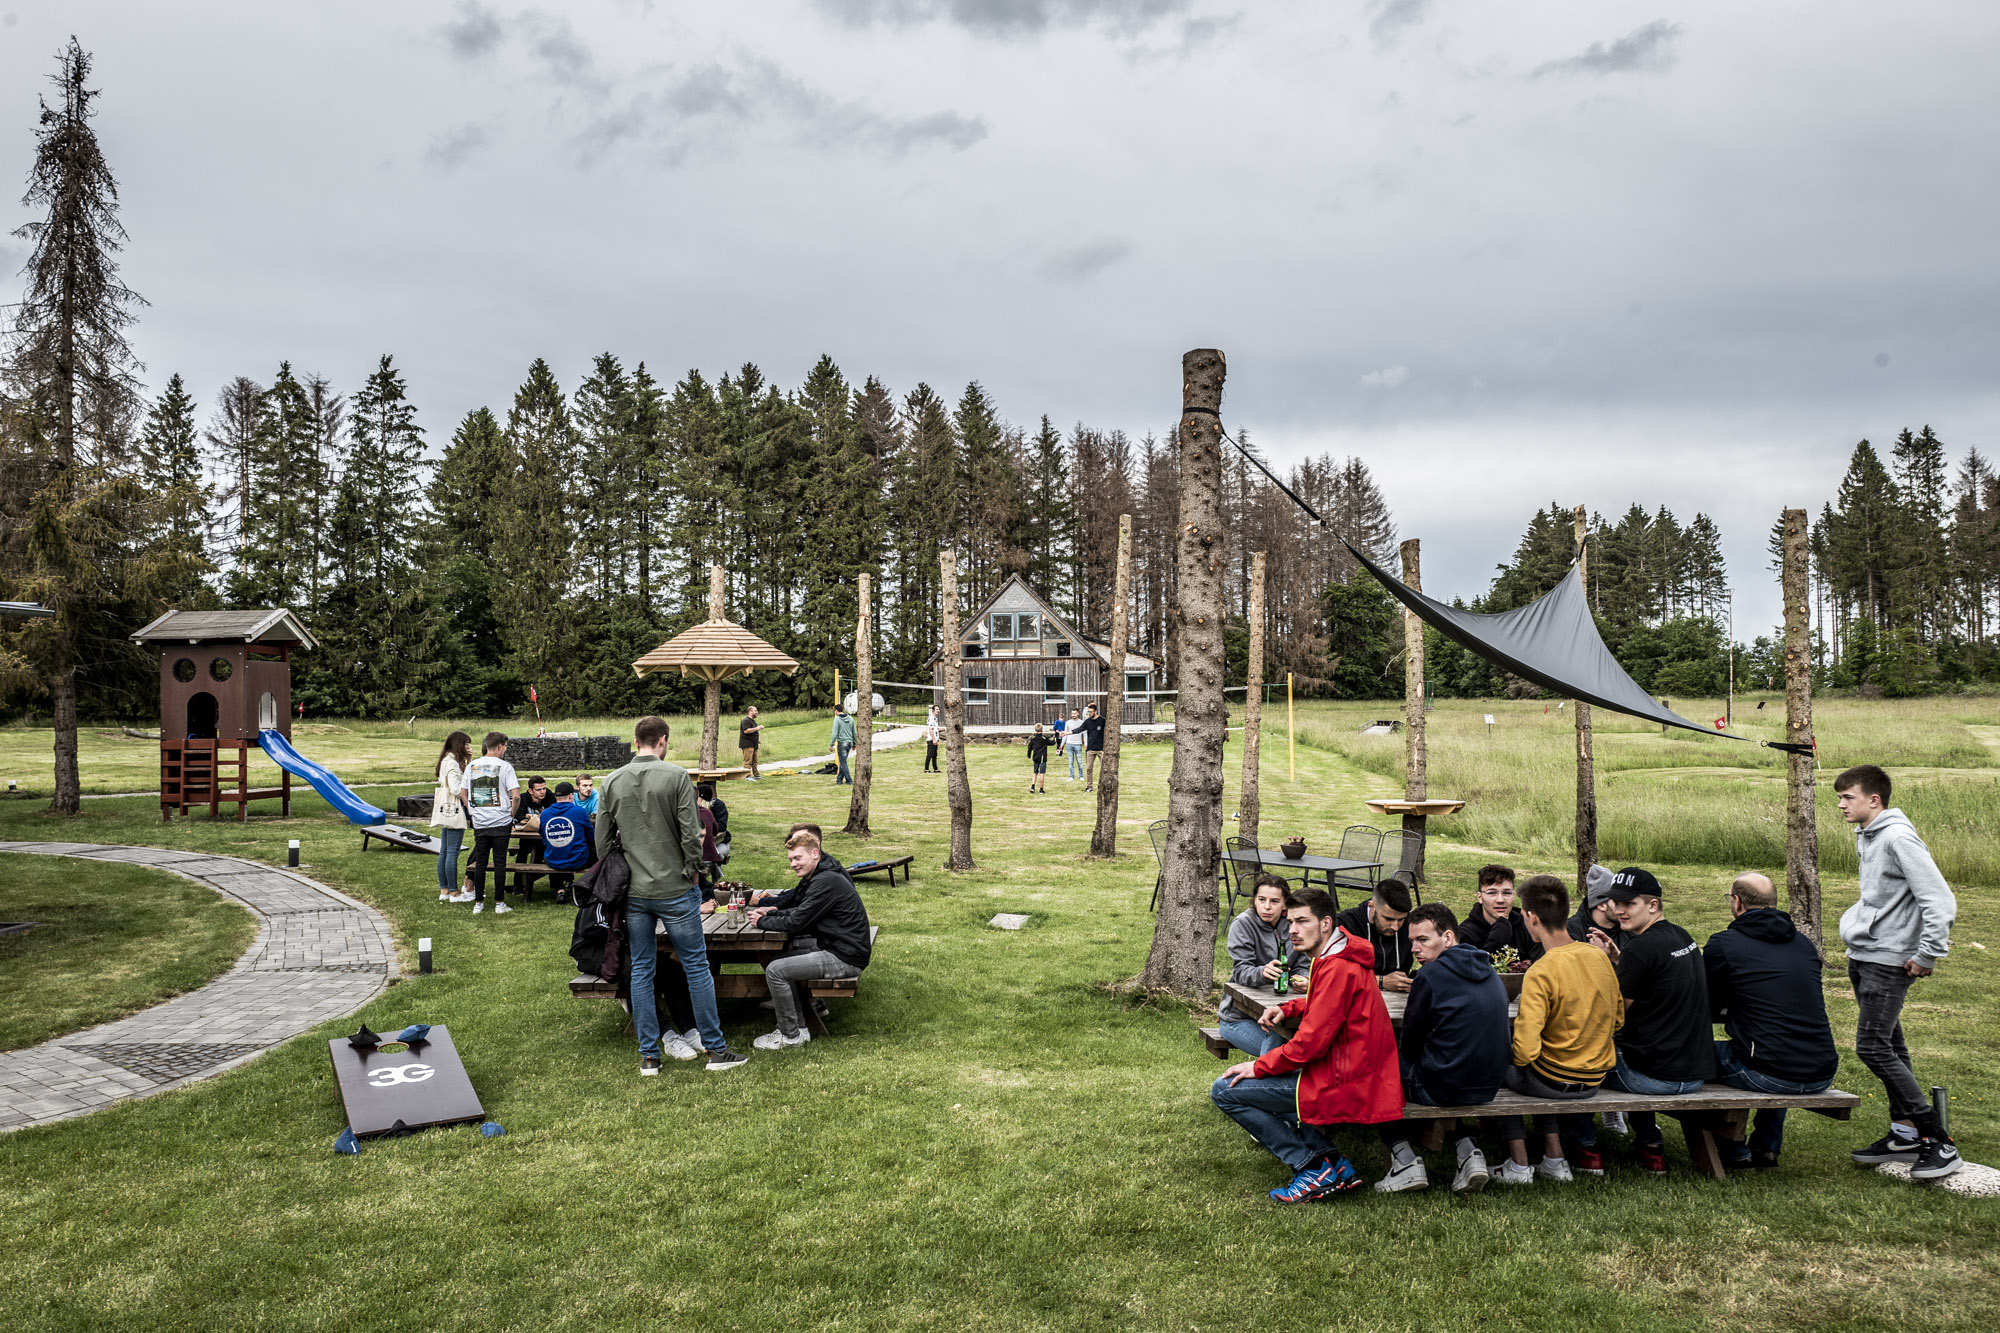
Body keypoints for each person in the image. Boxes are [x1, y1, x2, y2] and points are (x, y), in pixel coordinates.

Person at [1210, 886, 1401, 1203]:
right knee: (1272, 1066)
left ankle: (1311, 1167)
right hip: (1354, 1073)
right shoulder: (1339, 955)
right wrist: (1288, 1008)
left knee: (1224, 1090)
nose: (1293, 931)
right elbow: (1328, 1003)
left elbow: (1309, 1046)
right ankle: (1334, 1162)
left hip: (1345, 1081)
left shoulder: (1337, 966)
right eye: (1290, 922)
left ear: (1325, 924)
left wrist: (1258, 1067)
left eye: (1302, 921)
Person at [601, 715, 746, 1074]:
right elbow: (691, 833)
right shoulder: (678, 776)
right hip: (676, 886)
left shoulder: (612, 781)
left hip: (634, 890)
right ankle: (715, 1050)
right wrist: (693, 872)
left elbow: (602, 842)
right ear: (663, 740)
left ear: (636, 741)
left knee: (642, 969)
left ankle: (650, 1056)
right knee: (696, 966)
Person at [1835, 764, 1961, 1179]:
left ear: (1874, 800)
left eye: (1848, 797)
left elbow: (1939, 900)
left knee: (1872, 1048)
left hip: (1888, 960)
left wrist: (1928, 954)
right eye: (1839, 798)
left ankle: (1937, 1140)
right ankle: (1905, 1133)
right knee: (1890, 1044)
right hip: (1866, 953)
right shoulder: (1869, 834)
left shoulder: (1897, 838)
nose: (1841, 805)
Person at [1586, 867, 1716, 1177]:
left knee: (1576, 1060)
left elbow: (1613, 1016)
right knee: (1635, 1049)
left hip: (1653, 1078)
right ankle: (1650, 1147)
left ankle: (1582, 1148)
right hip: (1694, 1073)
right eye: (1616, 902)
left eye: (1629, 904)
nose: (1619, 910)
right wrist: (1618, 958)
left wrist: (1597, 962)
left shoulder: (1641, 949)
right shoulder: (1682, 936)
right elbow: (1655, 977)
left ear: (1653, 905)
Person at [1493, 874, 1622, 1185]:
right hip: (1594, 1080)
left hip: (1552, 1080)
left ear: (1531, 918)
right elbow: (1618, 1019)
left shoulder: (1541, 971)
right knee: (1540, 1065)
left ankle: (1519, 1163)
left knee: (1494, 1066)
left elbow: (1525, 1052)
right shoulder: (1598, 957)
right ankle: (1554, 1156)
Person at [1704, 871, 1838, 1170]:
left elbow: (1705, 1003)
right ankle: (1767, 1148)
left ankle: (1734, 1148)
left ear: (1736, 902)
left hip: (1769, 1070)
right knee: (1776, 1046)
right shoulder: (1803, 944)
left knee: (1696, 1055)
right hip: (1821, 1067)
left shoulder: (1725, 944)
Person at [1376, 903, 1512, 1194]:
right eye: (1412, 941)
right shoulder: (1489, 971)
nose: (1414, 948)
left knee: (1376, 1070)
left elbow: (1410, 1043)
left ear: (1448, 937)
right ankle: (1468, 1150)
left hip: (1445, 1087)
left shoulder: (1430, 976)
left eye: (1423, 940)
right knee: (1448, 1065)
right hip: (1490, 1085)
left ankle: (1403, 1159)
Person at [748, 829, 872, 1050]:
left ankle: (789, 1035)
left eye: (798, 858)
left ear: (815, 853)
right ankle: (800, 1027)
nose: (793, 864)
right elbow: (802, 911)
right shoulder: (821, 875)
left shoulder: (826, 880)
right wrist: (773, 913)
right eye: (790, 859)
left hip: (845, 957)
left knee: (776, 970)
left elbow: (797, 923)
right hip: (838, 947)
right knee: (779, 959)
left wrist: (762, 921)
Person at [1218, 874, 1296, 1056]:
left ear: (1285, 904)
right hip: (1239, 1018)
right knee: (1281, 1052)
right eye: (1261, 899)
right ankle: (1263, 1071)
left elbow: (1302, 963)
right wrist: (1262, 972)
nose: (1267, 906)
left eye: (1274, 901)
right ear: (1254, 900)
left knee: (1297, 1044)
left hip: (1283, 1012)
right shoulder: (1243, 924)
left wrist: (1303, 978)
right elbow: (1240, 971)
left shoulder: (1292, 925)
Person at [462, 731, 520, 915]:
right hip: (501, 820)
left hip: (480, 820)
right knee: (499, 862)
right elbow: (516, 795)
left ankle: (478, 902)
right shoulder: (506, 766)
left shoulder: (472, 766)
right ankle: (499, 902)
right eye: (505, 747)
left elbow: (463, 792)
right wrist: (511, 814)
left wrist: (471, 810)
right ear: (500, 746)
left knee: (481, 862)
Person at [1334, 876, 1414, 991]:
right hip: (1356, 994)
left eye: (1401, 919)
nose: (1395, 927)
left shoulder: (1411, 924)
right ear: (1371, 907)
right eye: (1388, 919)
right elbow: (1334, 973)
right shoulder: (1345, 925)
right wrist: (1381, 981)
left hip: (1400, 996)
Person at [1457, 863, 1542, 965]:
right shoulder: (1465, 934)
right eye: (1492, 893)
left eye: (1507, 893)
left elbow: (1543, 963)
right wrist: (1500, 932)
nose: (1500, 900)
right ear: (1480, 897)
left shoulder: (1527, 925)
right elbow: (1474, 968)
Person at [430, 731, 473, 904]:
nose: (468, 747)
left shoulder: (446, 760)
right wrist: (468, 801)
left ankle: (444, 889)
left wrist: (468, 761)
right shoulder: (452, 764)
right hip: (454, 809)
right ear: (459, 744)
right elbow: (456, 789)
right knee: (452, 852)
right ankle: (454, 892)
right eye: (466, 744)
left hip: (446, 809)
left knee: (445, 851)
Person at [539, 781, 595, 903]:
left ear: (556, 797)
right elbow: (591, 838)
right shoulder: (579, 811)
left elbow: (544, 838)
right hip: (578, 861)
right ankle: (587, 888)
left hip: (553, 861)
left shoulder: (545, 814)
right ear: (571, 795)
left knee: (557, 850)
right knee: (593, 853)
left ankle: (560, 889)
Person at [1565, 864, 1620, 942]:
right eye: (1617, 902)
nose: (1624, 908)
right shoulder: (1569, 932)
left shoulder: (1631, 928)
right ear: (1601, 905)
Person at [698, 781, 731, 860]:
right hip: (700, 844)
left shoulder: (718, 806)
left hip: (719, 842)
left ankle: (716, 864)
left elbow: (722, 826)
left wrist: (708, 825)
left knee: (717, 854)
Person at [1080, 703, 1107, 790]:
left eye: (1091, 712)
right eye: (1088, 712)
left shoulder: (1102, 720)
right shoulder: (1087, 721)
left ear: (1096, 712)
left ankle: (1104, 786)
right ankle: (1089, 786)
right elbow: (1079, 729)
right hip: (1091, 749)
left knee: (1104, 769)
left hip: (1101, 749)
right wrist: (1068, 733)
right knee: (1089, 768)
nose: (1089, 713)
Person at [831, 706, 856, 785]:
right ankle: (839, 780)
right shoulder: (850, 718)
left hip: (842, 743)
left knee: (843, 762)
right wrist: (854, 743)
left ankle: (849, 780)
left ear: (836, 710)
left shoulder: (837, 719)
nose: (834, 712)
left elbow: (835, 733)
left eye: (834, 710)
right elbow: (854, 732)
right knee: (843, 762)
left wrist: (831, 744)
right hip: (849, 743)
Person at [1025, 723, 1053, 793]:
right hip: (1042, 758)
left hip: (1035, 757)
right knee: (1042, 773)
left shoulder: (1033, 738)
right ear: (1042, 729)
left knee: (1035, 772)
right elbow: (1052, 743)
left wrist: (1029, 755)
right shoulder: (1044, 738)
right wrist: (1056, 737)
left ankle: (1032, 787)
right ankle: (1041, 789)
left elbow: (1029, 747)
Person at [739, 706, 763, 781]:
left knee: (755, 761)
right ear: (750, 711)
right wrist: (757, 728)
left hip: (754, 744)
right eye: (755, 710)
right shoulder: (746, 720)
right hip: (747, 744)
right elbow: (746, 731)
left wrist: (757, 740)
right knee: (748, 761)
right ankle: (747, 776)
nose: (757, 712)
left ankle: (756, 775)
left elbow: (753, 731)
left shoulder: (753, 721)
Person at [1061, 707, 1085, 781]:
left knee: (1079, 761)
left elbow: (1085, 734)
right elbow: (1065, 734)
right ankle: (1071, 776)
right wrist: (1062, 745)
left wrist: (1086, 743)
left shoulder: (1082, 722)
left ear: (1078, 713)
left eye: (1074, 713)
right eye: (1072, 713)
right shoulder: (1068, 722)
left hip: (1078, 744)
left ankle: (1081, 776)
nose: (1073, 715)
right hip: (1069, 744)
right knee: (1070, 761)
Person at [923, 705, 941, 774]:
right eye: (937, 709)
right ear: (933, 710)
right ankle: (926, 769)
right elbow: (930, 730)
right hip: (931, 739)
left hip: (935, 739)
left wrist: (944, 729)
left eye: (938, 709)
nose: (938, 710)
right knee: (929, 754)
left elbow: (936, 729)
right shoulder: (931, 718)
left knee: (934, 755)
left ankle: (935, 769)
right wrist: (933, 739)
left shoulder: (935, 718)